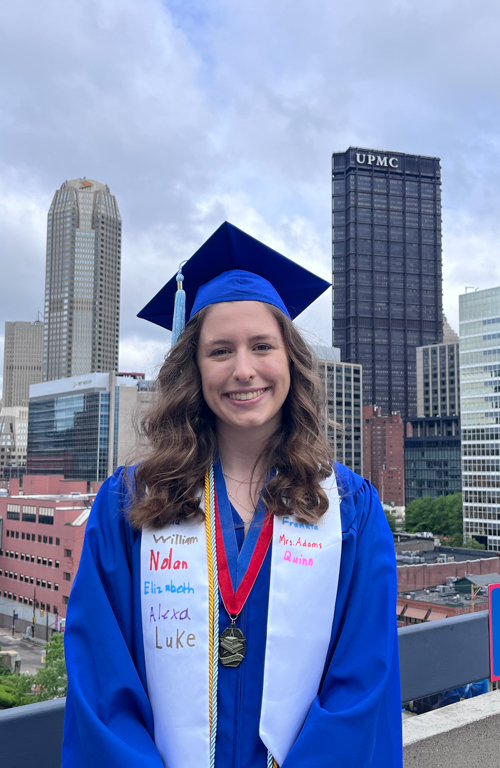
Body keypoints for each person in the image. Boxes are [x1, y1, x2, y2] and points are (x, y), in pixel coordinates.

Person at [62, 222, 403, 768]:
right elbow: (103, 684)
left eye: (262, 346)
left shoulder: (349, 509)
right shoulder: (130, 504)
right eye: (220, 350)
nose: (243, 370)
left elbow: (362, 681)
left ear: (290, 360)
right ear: (193, 369)